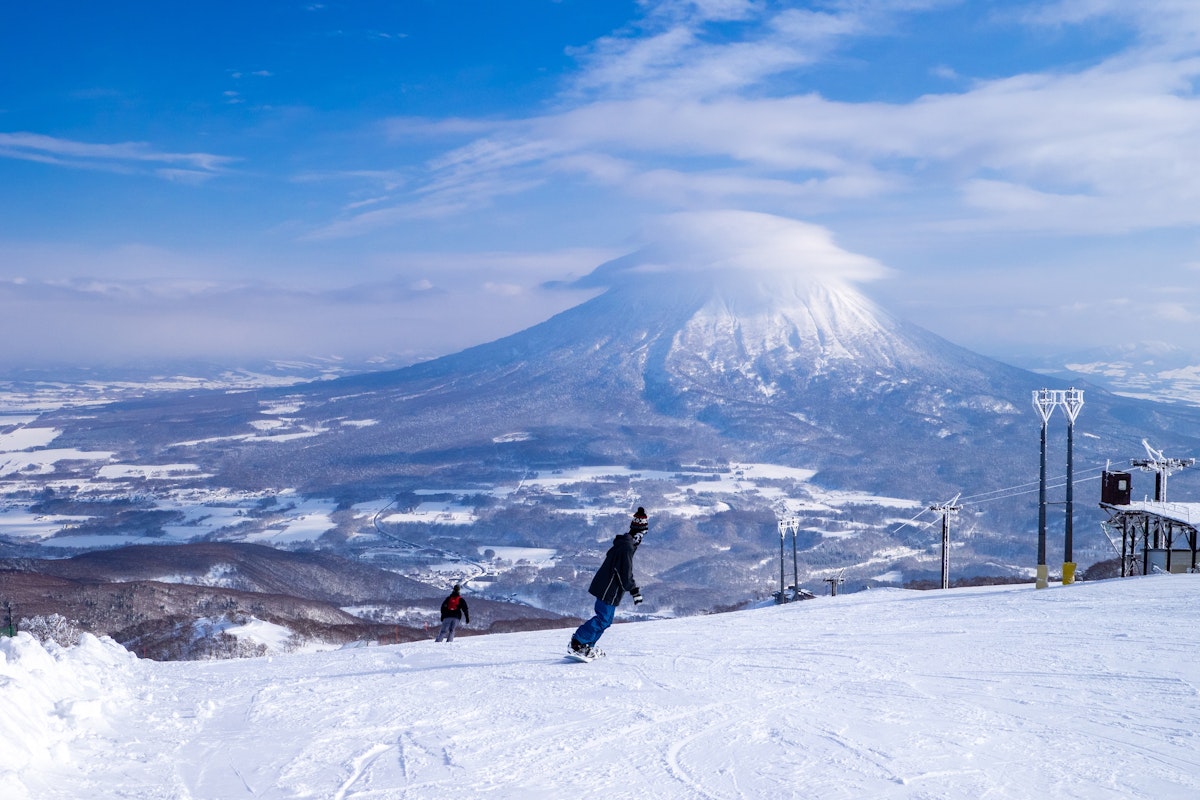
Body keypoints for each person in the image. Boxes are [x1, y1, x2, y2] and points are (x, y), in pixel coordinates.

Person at [569, 507, 648, 659]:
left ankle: (587, 646)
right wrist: (634, 591)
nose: (642, 537)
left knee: (605, 621)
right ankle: (578, 642)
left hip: (609, 586)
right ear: (637, 533)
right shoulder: (626, 547)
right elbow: (625, 573)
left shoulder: (625, 544)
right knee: (602, 619)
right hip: (609, 587)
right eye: (642, 534)